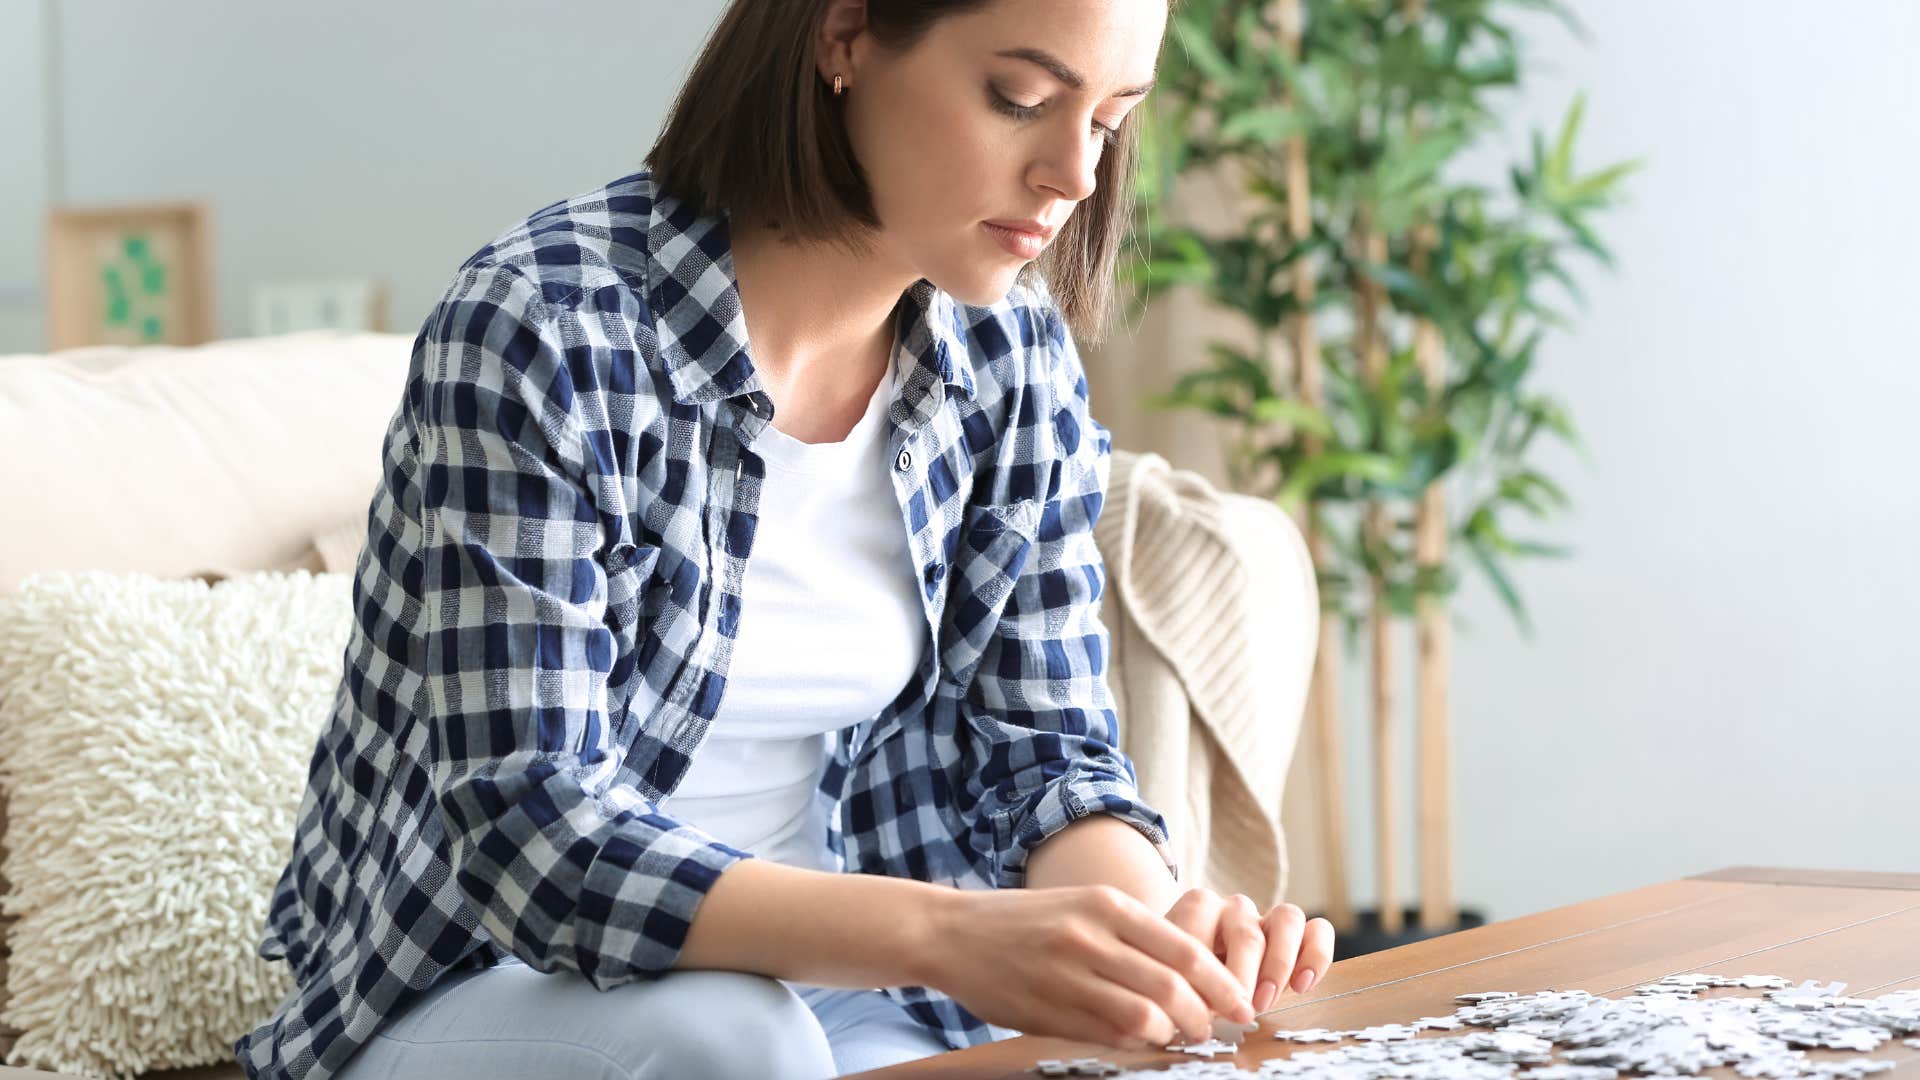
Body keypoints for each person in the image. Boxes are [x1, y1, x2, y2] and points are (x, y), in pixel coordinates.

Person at [235, 1, 1334, 1077]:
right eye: (1020, 98)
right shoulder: (545, 328)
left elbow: (1043, 751)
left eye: (1108, 119)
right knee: (741, 1044)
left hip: (839, 989)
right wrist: (949, 937)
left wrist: (1155, 939)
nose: (1075, 175)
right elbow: (533, 833)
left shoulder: (1009, 349)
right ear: (844, 34)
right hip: (485, 978)